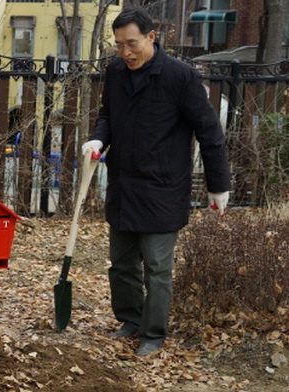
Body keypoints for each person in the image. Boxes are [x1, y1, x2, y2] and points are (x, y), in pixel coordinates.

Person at [81, 8, 231, 357]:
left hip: (163, 188)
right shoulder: (116, 71)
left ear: (151, 37)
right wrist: (98, 139)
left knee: (158, 268)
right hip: (123, 184)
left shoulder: (180, 77)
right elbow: (107, 115)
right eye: (119, 45)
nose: (125, 52)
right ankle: (130, 320)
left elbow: (210, 133)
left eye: (131, 43)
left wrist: (218, 185)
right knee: (121, 264)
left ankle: (153, 333)